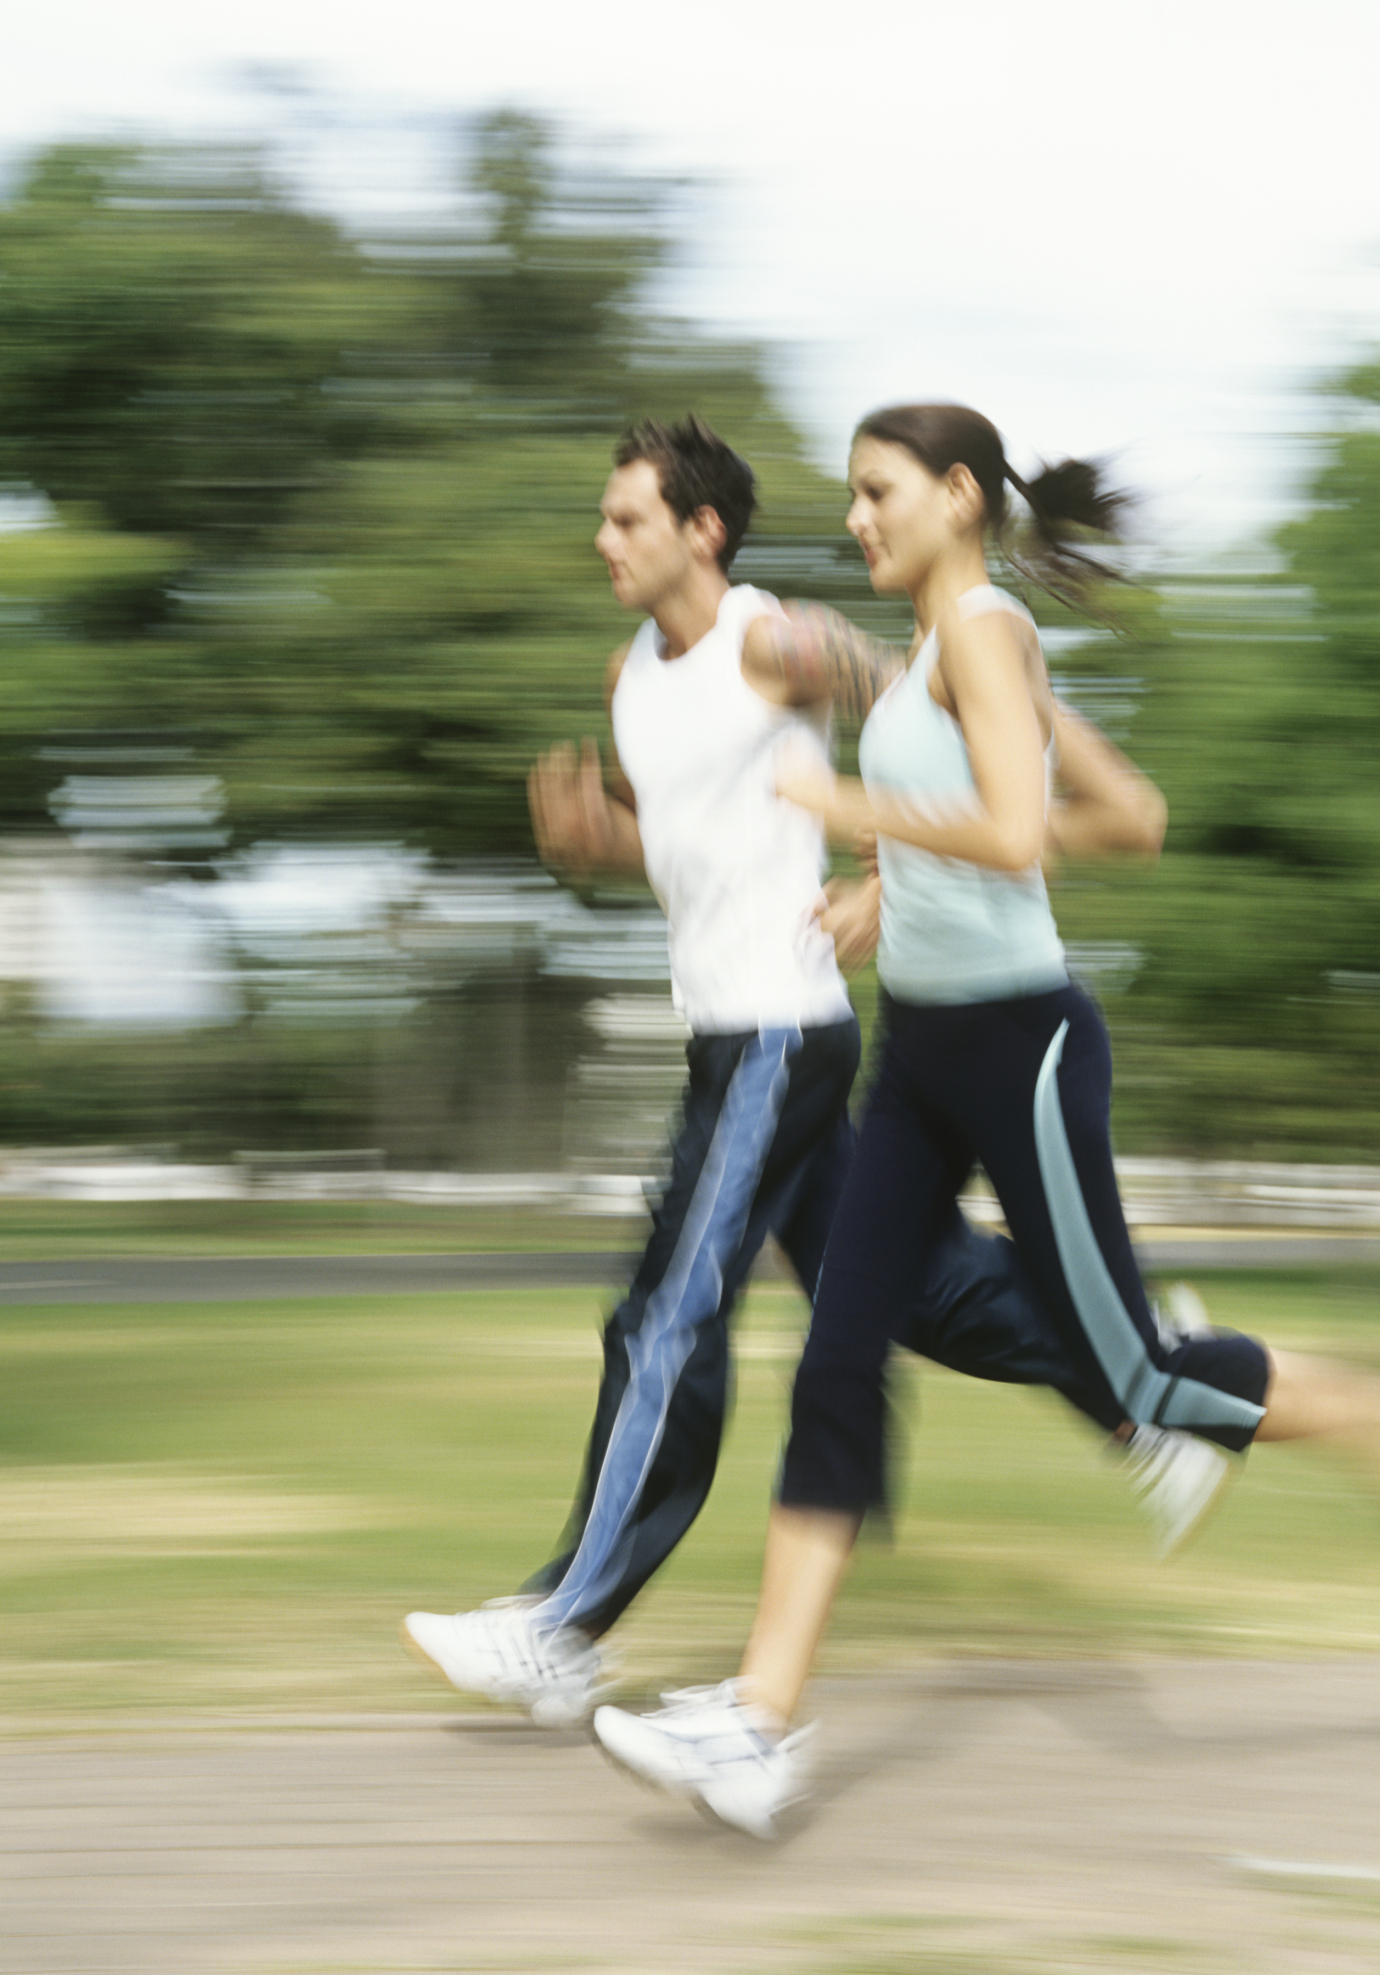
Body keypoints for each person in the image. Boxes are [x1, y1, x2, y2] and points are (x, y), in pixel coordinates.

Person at [591, 402, 1380, 1837]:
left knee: (1139, 1374)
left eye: (877, 492)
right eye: (851, 497)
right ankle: (760, 1726)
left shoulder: (982, 635)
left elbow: (1019, 832)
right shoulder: (934, 656)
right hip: (918, 1055)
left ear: (958, 498)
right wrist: (887, 893)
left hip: (1019, 1050)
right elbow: (1125, 813)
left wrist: (846, 805)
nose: (854, 519)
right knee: (839, 1358)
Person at [401, 415, 1225, 1726]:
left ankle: (566, 1624)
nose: (602, 539)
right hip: (729, 1024)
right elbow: (697, 848)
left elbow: (919, 719)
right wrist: (598, 844)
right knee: (922, 1293)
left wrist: (887, 869)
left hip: (779, 1030)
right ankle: (1142, 1383)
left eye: (628, 519)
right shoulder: (635, 678)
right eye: (605, 520)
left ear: (701, 531)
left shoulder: (772, 641)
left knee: (669, 1313)